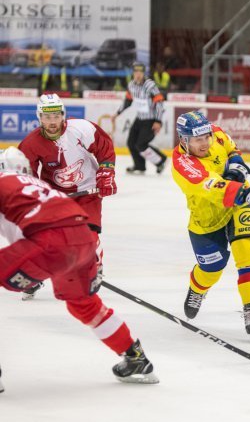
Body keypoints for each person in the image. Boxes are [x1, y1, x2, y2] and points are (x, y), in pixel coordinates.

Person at [0, 147, 158, 386]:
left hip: (48, 241)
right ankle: (135, 358)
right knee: (83, 304)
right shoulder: (40, 185)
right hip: (84, 240)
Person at [171, 111, 250, 338]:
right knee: (212, 268)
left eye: (206, 137)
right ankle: (197, 289)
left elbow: (232, 149)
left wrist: (237, 166)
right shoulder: (182, 164)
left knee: (246, 250)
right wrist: (249, 192)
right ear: (184, 140)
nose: (205, 143)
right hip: (208, 216)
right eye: (198, 140)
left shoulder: (216, 133)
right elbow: (212, 187)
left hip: (240, 204)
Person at [18, 93, 117, 299]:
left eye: (56, 116)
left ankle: (94, 268)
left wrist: (106, 173)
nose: (52, 122)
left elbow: (104, 148)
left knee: (87, 235)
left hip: (88, 191)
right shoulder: (31, 144)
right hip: (57, 197)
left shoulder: (81, 128)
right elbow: (25, 175)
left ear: (63, 115)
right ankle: (35, 274)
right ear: (39, 117)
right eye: (47, 117)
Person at [113, 62, 167, 175]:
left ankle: (161, 161)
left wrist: (158, 121)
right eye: (136, 72)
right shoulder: (131, 85)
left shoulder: (150, 85)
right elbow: (128, 101)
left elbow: (159, 103)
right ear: (133, 73)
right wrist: (117, 113)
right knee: (131, 143)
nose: (138, 74)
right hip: (139, 119)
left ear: (143, 73)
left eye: (140, 72)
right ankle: (140, 166)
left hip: (150, 120)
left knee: (141, 144)